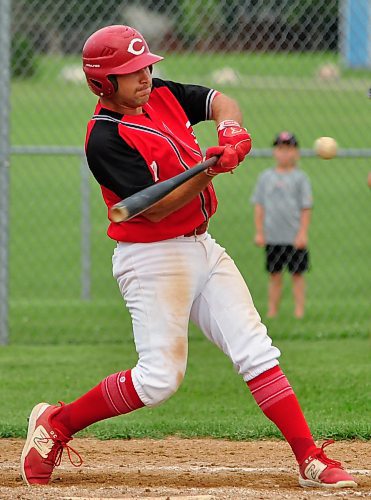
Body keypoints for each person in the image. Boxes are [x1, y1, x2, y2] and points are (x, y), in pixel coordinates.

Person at [20, 25, 356, 489]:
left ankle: (309, 458)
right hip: (151, 258)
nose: (145, 75)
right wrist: (212, 171)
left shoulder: (160, 94)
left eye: (145, 66)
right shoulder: (104, 137)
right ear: (103, 84)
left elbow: (218, 100)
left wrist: (231, 129)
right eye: (131, 71)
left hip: (202, 246)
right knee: (159, 380)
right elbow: (156, 209)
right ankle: (57, 425)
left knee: (255, 348)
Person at [252, 132, 312, 319]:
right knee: (275, 275)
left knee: (297, 275)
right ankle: (272, 311)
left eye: (289, 149)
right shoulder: (265, 177)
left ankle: (299, 311)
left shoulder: (300, 178)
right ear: (274, 152)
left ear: (296, 153)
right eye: (280, 149)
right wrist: (259, 232)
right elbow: (259, 206)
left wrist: (302, 233)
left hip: (294, 237)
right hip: (273, 236)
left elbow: (306, 207)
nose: (284, 154)